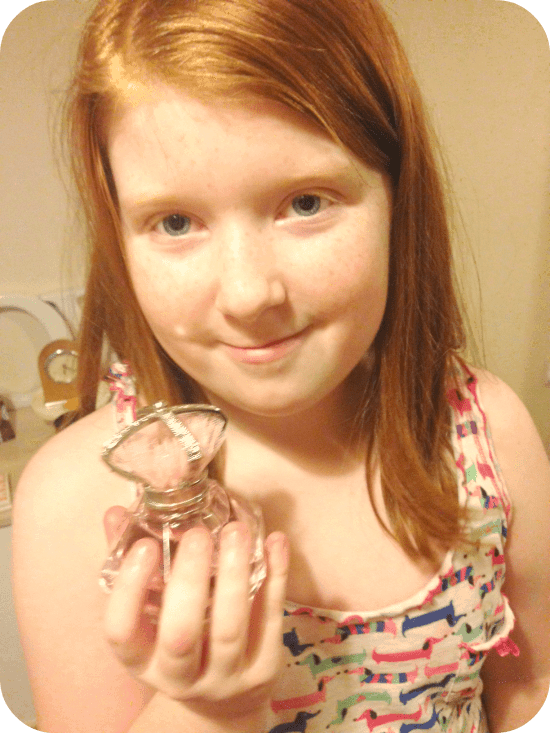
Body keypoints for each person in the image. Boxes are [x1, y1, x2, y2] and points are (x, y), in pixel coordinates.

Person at [11, 1, 550, 732]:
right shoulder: (74, 504)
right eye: (175, 222)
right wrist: (209, 711)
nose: (248, 294)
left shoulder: (490, 436)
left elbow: (526, 684)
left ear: (397, 199)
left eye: (305, 203)